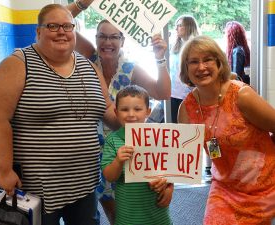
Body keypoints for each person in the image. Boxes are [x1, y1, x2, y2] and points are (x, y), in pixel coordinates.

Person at [0, 4, 120, 225]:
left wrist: (131, 118)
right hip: (36, 190)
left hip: (84, 184)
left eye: (67, 26)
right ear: (38, 32)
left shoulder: (90, 68)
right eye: (53, 26)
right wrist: (4, 170)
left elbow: (106, 110)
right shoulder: (17, 65)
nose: (61, 32)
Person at [66, 3, 171, 223]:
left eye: (114, 37)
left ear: (122, 41)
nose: (107, 42)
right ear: (95, 39)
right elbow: (64, 23)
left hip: (123, 149)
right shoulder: (87, 57)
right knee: (103, 211)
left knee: (127, 209)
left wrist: (160, 59)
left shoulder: (130, 68)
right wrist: (80, 5)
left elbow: (163, 93)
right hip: (88, 148)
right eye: (102, 37)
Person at [178, 35, 275, 224]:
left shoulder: (241, 95)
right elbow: (184, 157)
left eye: (207, 59)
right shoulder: (187, 108)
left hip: (265, 186)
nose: (201, 67)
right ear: (186, 69)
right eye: (194, 62)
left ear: (219, 63)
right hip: (224, 187)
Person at [101, 85, 174, 225]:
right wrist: (118, 161)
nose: (131, 114)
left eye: (137, 109)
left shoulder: (159, 138)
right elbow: (109, 176)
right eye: (124, 109)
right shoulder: (113, 140)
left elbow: (172, 168)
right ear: (116, 112)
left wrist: (170, 187)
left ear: (148, 111)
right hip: (128, 217)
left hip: (158, 214)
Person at [170, 15, 200, 123]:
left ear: (189, 26)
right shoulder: (174, 46)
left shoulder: (196, 46)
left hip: (189, 93)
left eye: (179, 25)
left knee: (189, 127)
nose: (176, 28)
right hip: (173, 93)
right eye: (176, 25)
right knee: (174, 126)